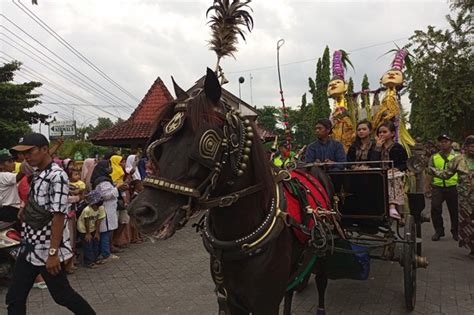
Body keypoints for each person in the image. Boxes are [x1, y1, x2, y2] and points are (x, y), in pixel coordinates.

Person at [6, 133, 95, 314]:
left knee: (62, 295)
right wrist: (26, 207)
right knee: (15, 297)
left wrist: (53, 253)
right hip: (29, 246)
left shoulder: (57, 176)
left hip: (46, 249)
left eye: (30, 152)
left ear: (44, 150)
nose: (26, 157)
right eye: (23, 153)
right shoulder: (38, 171)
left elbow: (59, 215)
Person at [427, 136, 474, 259]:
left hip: (457, 192)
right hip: (466, 200)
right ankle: (472, 249)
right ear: (466, 147)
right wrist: (431, 170)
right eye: (470, 146)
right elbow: (446, 174)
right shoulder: (459, 160)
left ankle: (456, 233)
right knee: (468, 224)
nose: (473, 149)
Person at [426, 134, 459, 241]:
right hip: (438, 186)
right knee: (435, 208)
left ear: (451, 142)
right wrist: (427, 186)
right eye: (441, 142)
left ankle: (455, 231)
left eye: (446, 141)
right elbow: (429, 172)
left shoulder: (457, 157)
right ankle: (439, 231)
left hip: (453, 186)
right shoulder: (434, 157)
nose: (443, 143)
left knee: (454, 210)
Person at [374, 121, 408, 220]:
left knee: (392, 178)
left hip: (394, 174)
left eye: (384, 132)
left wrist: (396, 168)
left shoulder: (398, 147)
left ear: (392, 133)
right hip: (380, 172)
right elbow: (373, 162)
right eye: (380, 132)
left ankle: (392, 206)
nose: (381, 134)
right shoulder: (376, 146)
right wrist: (377, 148)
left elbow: (404, 163)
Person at [90, 160, 120, 263]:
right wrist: (117, 188)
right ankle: (105, 254)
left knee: (106, 231)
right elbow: (106, 195)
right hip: (106, 208)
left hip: (108, 208)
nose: (110, 168)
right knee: (105, 231)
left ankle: (104, 252)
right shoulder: (103, 181)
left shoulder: (103, 179)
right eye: (108, 166)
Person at [77, 190, 105, 268]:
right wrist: (88, 233)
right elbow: (86, 222)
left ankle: (96, 259)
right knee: (88, 244)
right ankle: (89, 262)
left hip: (93, 227)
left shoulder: (101, 208)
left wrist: (97, 232)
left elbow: (99, 220)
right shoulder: (87, 210)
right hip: (84, 229)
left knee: (96, 243)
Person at [0, 149, 23, 225]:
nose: (13, 163)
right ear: (1, 165)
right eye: (9, 162)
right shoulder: (4, 175)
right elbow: (19, 176)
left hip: (7, 210)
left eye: (13, 161)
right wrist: (27, 162)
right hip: (10, 211)